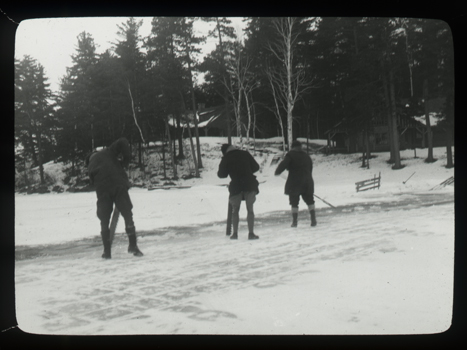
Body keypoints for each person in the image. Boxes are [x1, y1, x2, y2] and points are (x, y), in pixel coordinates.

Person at [85, 137, 143, 259]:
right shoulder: (108, 151)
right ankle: (132, 245)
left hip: (103, 190)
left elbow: (92, 183)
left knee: (104, 220)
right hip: (118, 185)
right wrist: (125, 162)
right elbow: (123, 141)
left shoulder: (90, 166)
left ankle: (107, 252)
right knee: (127, 214)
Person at [218, 144, 260, 240]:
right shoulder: (245, 154)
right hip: (250, 184)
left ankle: (235, 234)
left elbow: (221, 174)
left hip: (236, 186)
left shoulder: (226, 158)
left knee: (235, 210)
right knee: (250, 209)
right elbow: (256, 167)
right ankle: (251, 233)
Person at [275, 140, 317, 227]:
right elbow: (310, 169)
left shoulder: (290, 155)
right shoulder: (306, 156)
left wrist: (278, 171)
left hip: (295, 183)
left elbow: (283, 164)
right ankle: (313, 220)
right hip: (307, 182)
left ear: (292, 147)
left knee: (294, 202)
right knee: (310, 201)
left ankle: (295, 222)